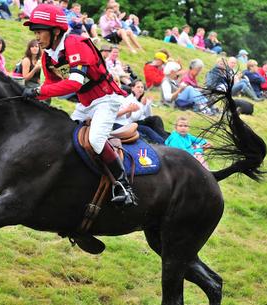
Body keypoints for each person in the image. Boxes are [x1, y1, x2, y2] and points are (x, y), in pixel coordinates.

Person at [22, 3, 135, 206]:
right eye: (35, 32)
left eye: (39, 31)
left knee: (95, 141)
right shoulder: (49, 55)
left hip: (106, 99)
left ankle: (123, 185)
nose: (37, 37)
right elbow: (50, 86)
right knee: (64, 137)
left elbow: (74, 83)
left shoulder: (75, 43)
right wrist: (31, 99)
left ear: (56, 31)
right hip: (86, 102)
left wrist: (39, 92)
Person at [116, 79, 167, 144]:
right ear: (132, 88)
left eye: (142, 87)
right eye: (138, 87)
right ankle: (164, 142)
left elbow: (149, 115)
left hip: (141, 121)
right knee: (149, 126)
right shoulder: (129, 100)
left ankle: (165, 139)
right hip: (134, 123)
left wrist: (148, 105)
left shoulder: (141, 100)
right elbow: (133, 118)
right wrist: (142, 105)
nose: (140, 89)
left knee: (156, 119)